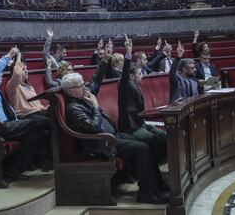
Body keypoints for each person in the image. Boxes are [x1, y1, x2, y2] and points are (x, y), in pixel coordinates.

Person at [61, 61, 169, 204]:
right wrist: (95, 107)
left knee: (148, 143)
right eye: (80, 86)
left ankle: (157, 184)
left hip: (112, 137)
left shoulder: (82, 98)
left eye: (83, 84)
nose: (85, 87)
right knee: (142, 149)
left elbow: (95, 81)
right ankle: (146, 193)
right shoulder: (73, 108)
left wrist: (104, 61)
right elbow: (94, 127)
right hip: (102, 143)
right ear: (70, 91)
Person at [0, 47, 45, 180]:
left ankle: (12, 169)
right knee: (37, 122)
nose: (1, 77)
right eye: (0, 75)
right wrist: (8, 55)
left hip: (5, 124)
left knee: (34, 135)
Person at [118, 35, 167, 166]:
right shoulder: (125, 84)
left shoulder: (137, 86)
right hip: (131, 127)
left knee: (163, 135)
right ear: (132, 75)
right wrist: (128, 53)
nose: (142, 77)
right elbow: (125, 74)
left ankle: (167, 160)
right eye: (140, 74)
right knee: (152, 138)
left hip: (141, 123)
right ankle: (157, 164)